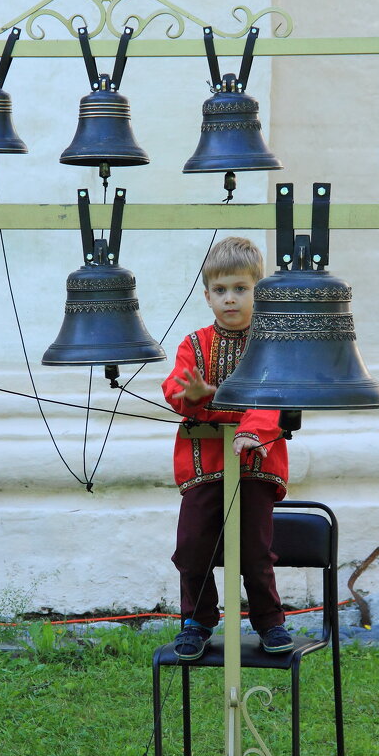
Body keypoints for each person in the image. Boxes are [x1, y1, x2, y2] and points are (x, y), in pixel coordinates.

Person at [162, 236, 292, 661]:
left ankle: (270, 621)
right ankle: (197, 620)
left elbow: (271, 395)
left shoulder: (271, 344)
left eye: (241, 289)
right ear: (207, 296)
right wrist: (197, 395)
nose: (230, 299)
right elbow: (176, 390)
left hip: (254, 462)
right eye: (221, 291)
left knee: (254, 549)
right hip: (203, 465)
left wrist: (252, 428)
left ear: (259, 291)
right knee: (191, 546)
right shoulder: (194, 344)